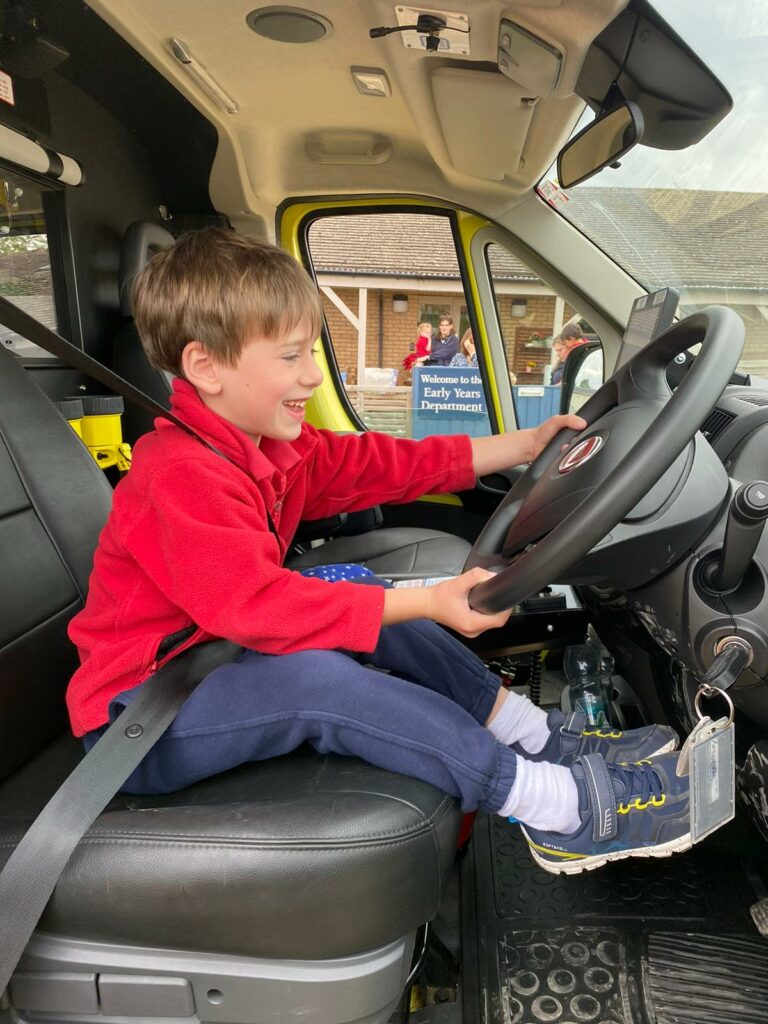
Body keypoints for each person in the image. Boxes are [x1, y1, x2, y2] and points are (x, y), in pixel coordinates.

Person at [67, 228, 691, 875]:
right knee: (320, 682)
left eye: (310, 352)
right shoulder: (179, 474)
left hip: (211, 657)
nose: (311, 374)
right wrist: (431, 600)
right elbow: (254, 606)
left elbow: (379, 465)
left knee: (355, 585)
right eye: (290, 357)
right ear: (206, 368)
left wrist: (523, 447)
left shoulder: (265, 447)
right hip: (140, 717)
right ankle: (562, 812)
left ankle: (536, 737)